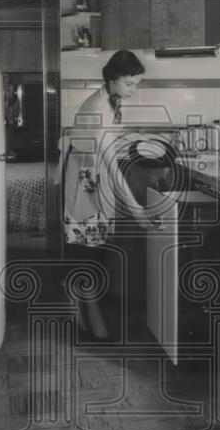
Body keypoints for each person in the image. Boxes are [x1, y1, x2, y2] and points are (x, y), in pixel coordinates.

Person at [60, 49, 159, 338]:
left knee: (92, 252)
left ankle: (84, 316)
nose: (133, 89)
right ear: (113, 79)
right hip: (84, 183)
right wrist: (137, 210)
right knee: (86, 255)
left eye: (136, 83)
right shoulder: (96, 108)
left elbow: (112, 142)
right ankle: (82, 318)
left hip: (92, 179)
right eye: (130, 83)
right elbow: (110, 165)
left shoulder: (110, 99)